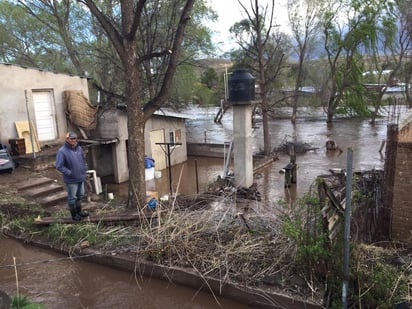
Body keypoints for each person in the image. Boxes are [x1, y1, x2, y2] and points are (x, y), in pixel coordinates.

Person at [56, 131, 89, 221]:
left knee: (80, 195)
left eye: (75, 138)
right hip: (71, 179)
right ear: (67, 139)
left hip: (81, 177)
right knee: (72, 197)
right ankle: (74, 215)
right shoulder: (62, 151)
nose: (74, 140)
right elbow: (59, 166)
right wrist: (69, 172)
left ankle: (79, 212)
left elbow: (83, 159)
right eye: (71, 139)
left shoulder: (79, 149)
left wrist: (84, 169)